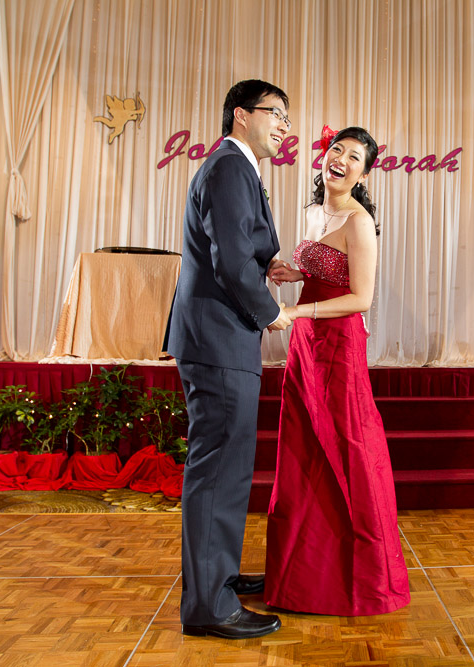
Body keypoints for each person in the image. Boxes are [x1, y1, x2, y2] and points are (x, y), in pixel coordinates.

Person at [263, 126, 411, 616]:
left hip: (338, 345)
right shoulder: (311, 211)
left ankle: (362, 579)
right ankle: (303, 574)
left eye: (354, 157)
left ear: (364, 172)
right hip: (305, 344)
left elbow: (360, 298)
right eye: (336, 151)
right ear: (323, 158)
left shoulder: (359, 221)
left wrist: (298, 312)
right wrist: (294, 274)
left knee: (347, 446)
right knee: (303, 451)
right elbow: (325, 272)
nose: (341, 160)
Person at [166, 79, 293, 640]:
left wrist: (269, 268)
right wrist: (271, 311)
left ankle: (216, 577)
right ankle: (210, 608)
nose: (285, 126)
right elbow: (230, 260)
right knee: (218, 470)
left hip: (219, 337)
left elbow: (240, 250)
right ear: (241, 115)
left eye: (288, 118)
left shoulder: (235, 167)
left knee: (227, 468)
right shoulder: (229, 167)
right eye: (277, 114)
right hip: (218, 339)